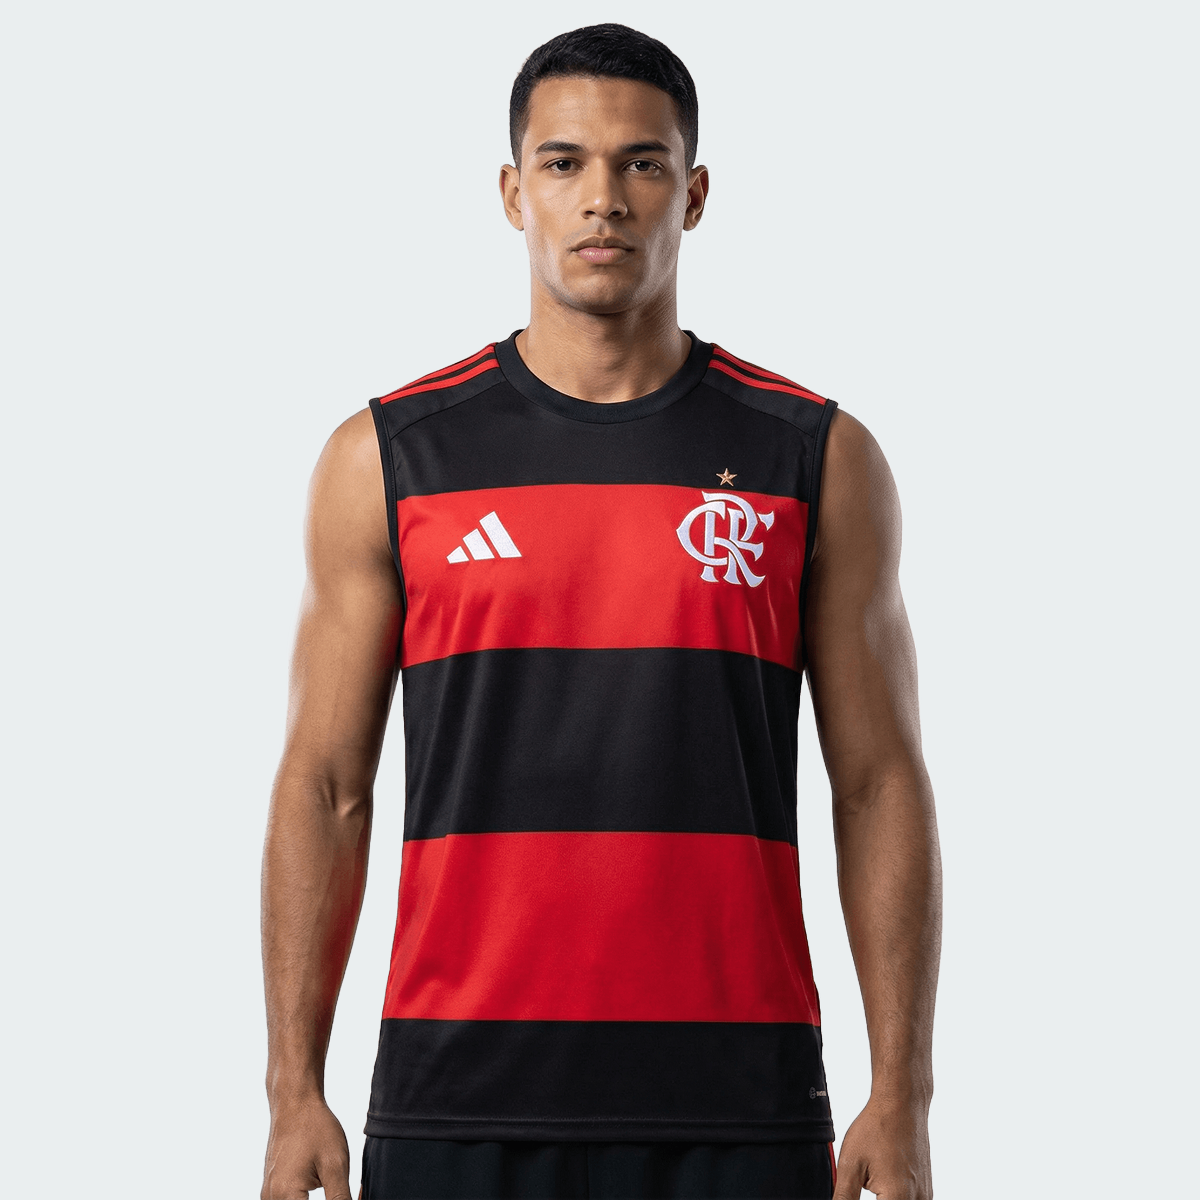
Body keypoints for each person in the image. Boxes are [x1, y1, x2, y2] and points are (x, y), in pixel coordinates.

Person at [260, 22, 941, 1200]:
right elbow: (325, 785)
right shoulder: (389, 459)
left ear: (696, 194)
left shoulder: (814, 457)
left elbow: (879, 783)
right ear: (512, 193)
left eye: (642, 164)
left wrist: (904, 1093)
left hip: (739, 1104)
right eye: (565, 163)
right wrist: (291, 1092)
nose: (604, 200)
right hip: (457, 1098)